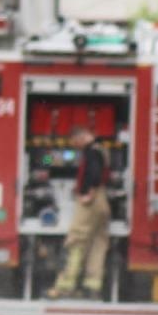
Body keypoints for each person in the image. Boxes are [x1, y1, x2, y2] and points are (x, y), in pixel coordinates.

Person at [45, 123, 110, 300]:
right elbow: (48, 160)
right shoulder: (101, 149)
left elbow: (93, 173)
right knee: (98, 243)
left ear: (80, 137)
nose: (74, 148)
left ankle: (64, 287)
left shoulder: (91, 152)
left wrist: (88, 193)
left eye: (74, 143)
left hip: (91, 201)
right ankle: (92, 287)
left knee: (76, 240)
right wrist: (47, 159)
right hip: (102, 201)